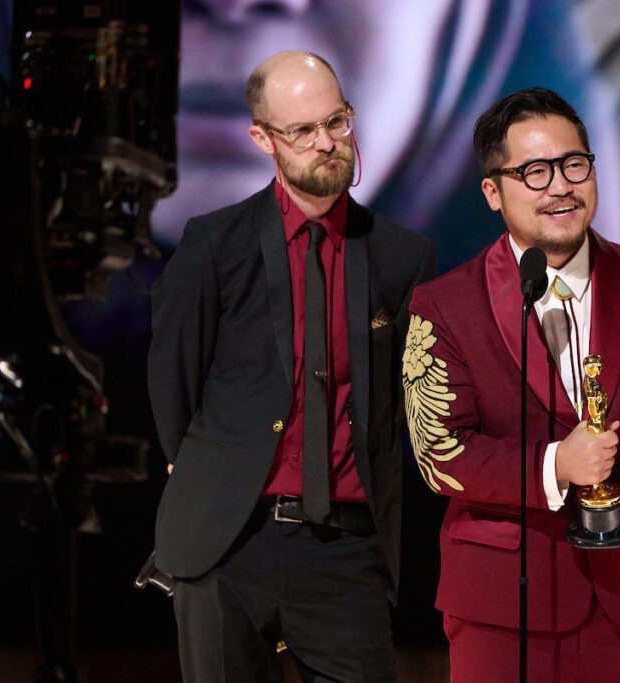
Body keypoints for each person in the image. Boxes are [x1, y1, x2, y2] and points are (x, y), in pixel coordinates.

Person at [403, 87, 620, 682]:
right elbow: (438, 453)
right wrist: (556, 464)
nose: (559, 186)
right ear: (493, 193)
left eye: (573, 164)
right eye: (533, 172)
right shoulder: (444, 305)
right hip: (503, 610)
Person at [149, 51, 435, 681]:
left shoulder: (401, 257)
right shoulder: (213, 244)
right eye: (302, 131)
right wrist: (204, 478)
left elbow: (407, 410)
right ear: (263, 138)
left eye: (337, 121)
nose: (327, 143)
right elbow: (173, 383)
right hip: (228, 543)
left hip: (346, 550)